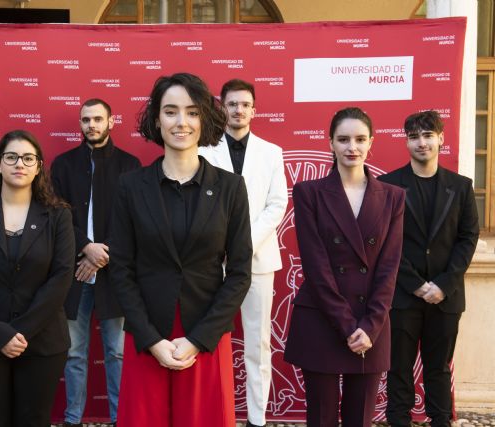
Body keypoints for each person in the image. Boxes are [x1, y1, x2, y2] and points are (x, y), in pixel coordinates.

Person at [109, 72, 253, 427]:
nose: (181, 122)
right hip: (147, 335)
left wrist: (198, 339)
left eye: (191, 112)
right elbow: (121, 269)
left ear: (203, 118)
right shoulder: (130, 186)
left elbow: (239, 273)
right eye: (170, 111)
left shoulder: (231, 188)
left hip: (205, 336)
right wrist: (151, 339)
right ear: (157, 119)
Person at [284, 107, 405, 427]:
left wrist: (370, 326)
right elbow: (316, 266)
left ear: (371, 143)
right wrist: (348, 326)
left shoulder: (393, 197)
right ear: (330, 143)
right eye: (343, 139)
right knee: (321, 418)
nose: (352, 146)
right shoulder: (308, 193)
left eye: (360, 139)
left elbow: (388, 267)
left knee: (360, 420)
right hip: (322, 317)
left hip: (371, 324)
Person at [0, 130, 75, 427]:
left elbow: (61, 278)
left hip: (42, 341)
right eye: (11, 157)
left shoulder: (58, 216)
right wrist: (0, 335)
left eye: (28, 158)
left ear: (38, 166)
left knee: (34, 420)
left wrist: (19, 332)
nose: (19, 164)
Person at [379, 110, 479, 427]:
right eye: (414, 137)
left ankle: (441, 421)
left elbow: (467, 238)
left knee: (439, 369)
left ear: (441, 138)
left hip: (446, 299)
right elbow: (385, 241)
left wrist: (443, 285)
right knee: (399, 369)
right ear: (406, 142)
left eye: (427, 135)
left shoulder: (461, 187)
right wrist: (417, 285)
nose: (421, 143)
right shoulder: (387, 185)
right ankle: (398, 421)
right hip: (403, 297)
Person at [198, 78, 287, 427]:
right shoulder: (203, 151)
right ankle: (212, 414)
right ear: (222, 107)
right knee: (207, 339)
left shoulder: (272, 152)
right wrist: (222, 245)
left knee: (257, 344)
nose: (238, 110)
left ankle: (256, 418)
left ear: (254, 109)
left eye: (245, 104)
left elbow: (277, 204)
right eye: (232, 104)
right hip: (210, 263)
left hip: (259, 261)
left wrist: (244, 243)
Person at [51, 98, 141, 427]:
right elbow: (56, 215)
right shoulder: (62, 165)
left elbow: (133, 220)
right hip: (74, 272)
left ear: (111, 121)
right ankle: (73, 419)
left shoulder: (130, 165)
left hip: (114, 274)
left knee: (116, 352)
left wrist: (101, 255)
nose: (91, 125)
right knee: (74, 352)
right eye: (86, 119)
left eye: (98, 119)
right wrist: (86, 247)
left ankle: (121, 418)